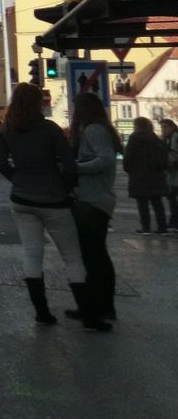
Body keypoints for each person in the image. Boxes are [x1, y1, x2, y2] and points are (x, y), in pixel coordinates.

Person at [0, 82, 104, 330]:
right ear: (39, 103)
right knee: (72, 258)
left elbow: (0, 163)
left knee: (32, 255)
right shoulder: (50, 129)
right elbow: (69, 164)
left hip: (21, 199)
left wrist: (18, 179)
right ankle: (89, 317)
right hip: (53, 200)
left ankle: (42, 313)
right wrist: (64, 187)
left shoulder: (6, 130)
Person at [69, 90, 120, 323]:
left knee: (93, 256)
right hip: (99, 199)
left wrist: (76, 167)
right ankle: (99, 305)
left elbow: (106, 159)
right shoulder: (100, 128)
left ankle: (98, 307)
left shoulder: (93, 130)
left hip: (94, 200)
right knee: (95, 255)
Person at [123, 117, 169, 235]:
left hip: (138, 175)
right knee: (157, 202)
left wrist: (128, 169)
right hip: (156, 174)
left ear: (137, 126)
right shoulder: (156, 139)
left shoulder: (134, 139)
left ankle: (146, 228)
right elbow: (164, 158)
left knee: (142, 203)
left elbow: (128, 157)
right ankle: (162, 228)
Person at [161, 119, 178, 228]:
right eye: (162, 127)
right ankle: (173, 220)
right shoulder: (165, 140)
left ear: (172, 127)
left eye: (165, 127)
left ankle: (175, 221)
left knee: (174, 198)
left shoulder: (175, 138)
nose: (163, 130)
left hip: (175, 172)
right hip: (170, 174)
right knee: (171, 198)